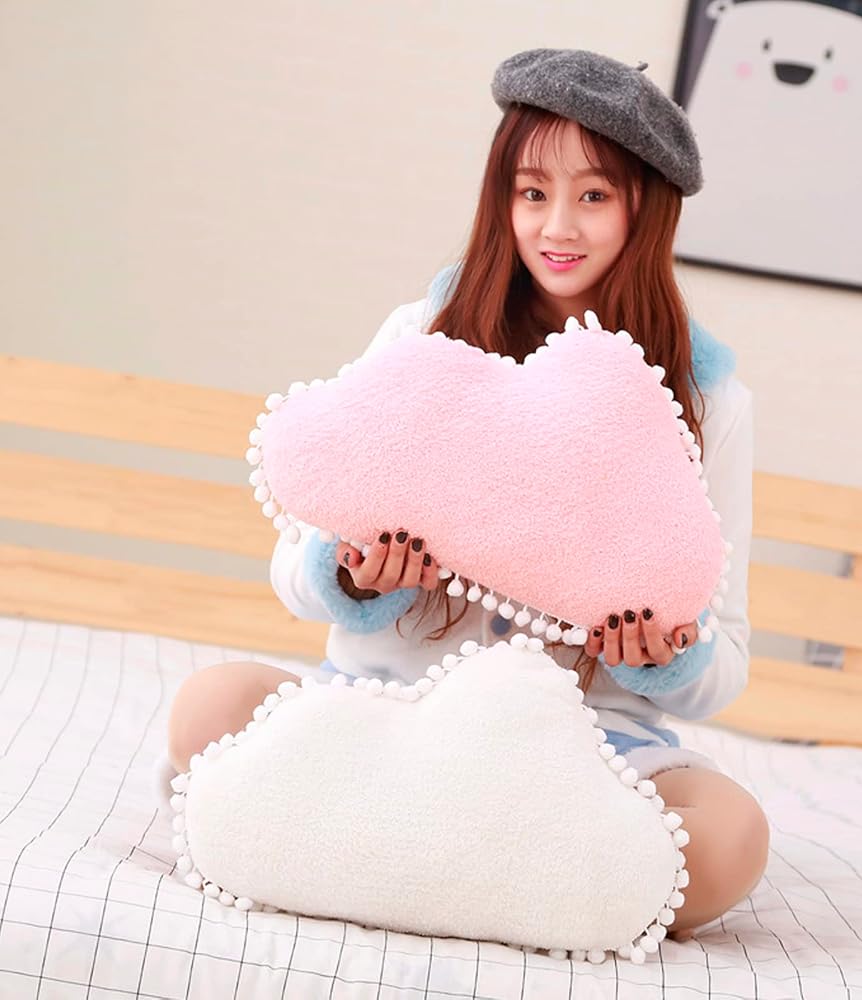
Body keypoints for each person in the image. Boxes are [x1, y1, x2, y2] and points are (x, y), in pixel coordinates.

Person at [164, 48, 769, 938]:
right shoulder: (425, 336)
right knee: (209, 706)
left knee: (731, 838)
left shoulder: (705, 400)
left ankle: (370, 849)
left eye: (593, 196)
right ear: (501, 198)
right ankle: (499, 876)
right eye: (532, 193)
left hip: (580, 746)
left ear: (646, 208)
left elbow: (727, 664)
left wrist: (663, 657)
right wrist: (354, 577)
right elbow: (296, 565)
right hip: (382, 711)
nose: (557, 226)